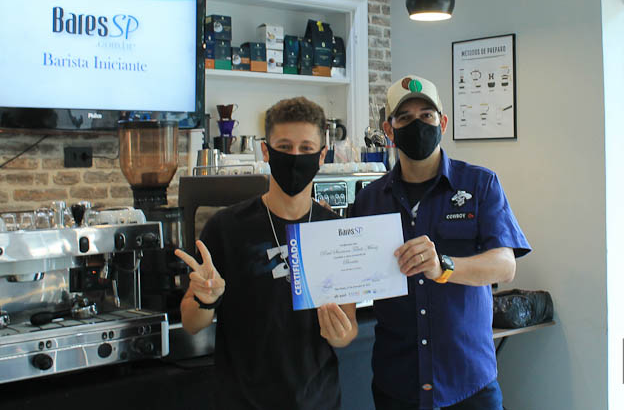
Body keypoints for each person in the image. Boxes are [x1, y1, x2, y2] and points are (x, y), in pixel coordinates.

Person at [352, 75, 531, 410]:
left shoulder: (480, 185)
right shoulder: (369, 200)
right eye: (405, 118)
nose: (417, 124)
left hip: (469, 382)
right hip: (398, 384)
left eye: (426, 116)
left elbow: (505, 266)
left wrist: (444, 266)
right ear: (389, 130)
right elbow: (354, 275)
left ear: (442, 123)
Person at [175, 96, 358, 410]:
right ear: (266, 151)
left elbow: (348, 326)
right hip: (241, 402)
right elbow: (191, 323)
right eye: (284, 147)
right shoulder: (226, 228)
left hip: (318, 401)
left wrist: (340, 334)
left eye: (306, 148)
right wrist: (206, 298)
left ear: (322, 155)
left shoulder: (336, 231)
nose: (295, 157)